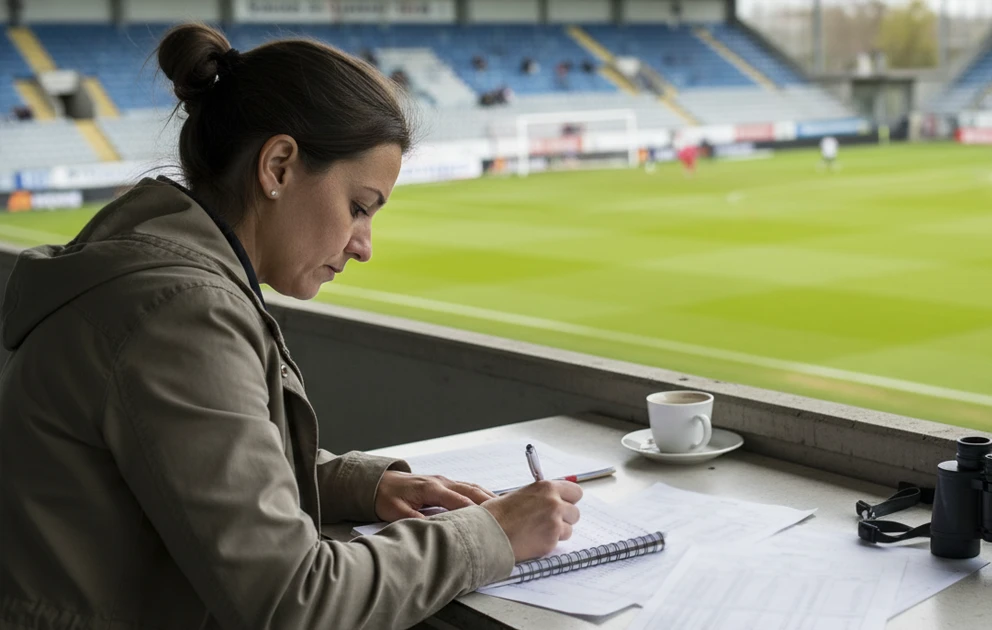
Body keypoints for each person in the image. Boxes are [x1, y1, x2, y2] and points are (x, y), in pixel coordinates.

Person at [0, 23, 583, 630]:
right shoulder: (178, 312)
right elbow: (293, 603)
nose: (364, 248)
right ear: (278, 165)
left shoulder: (156, 273)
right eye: (358, 207)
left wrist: (364, 485)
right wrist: (487, 535)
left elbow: (183, 467)